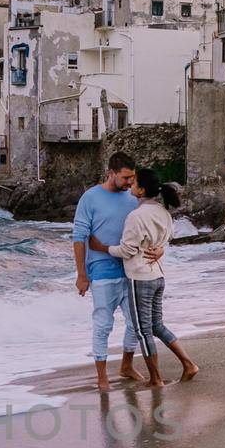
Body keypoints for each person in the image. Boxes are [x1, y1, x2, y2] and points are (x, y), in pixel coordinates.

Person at [98, 167, 198, 387]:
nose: (130, 186)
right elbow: (168, 237)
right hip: (158, 275)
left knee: (144, 331)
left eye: (134, 184)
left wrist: (103, 248)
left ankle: (156, 379)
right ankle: (188, 364)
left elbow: (127, 250)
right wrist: (160, 248)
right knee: (157, 326)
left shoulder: (136, 216)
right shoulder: (163, 211)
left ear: (141, 190)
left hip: (140, 278)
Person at [72, 152, 163, 392]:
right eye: (125, 177)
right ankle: (102, 376)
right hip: (101, 271)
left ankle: (126, 365)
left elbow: (153, 226)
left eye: (133, 177)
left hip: (132, 272)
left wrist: (161, 249)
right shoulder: (90, 198)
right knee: (103, 325)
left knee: (136, 324)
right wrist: (82, 275)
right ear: (110, 173)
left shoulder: (133, 199)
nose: (130, 182)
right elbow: (79, 237)